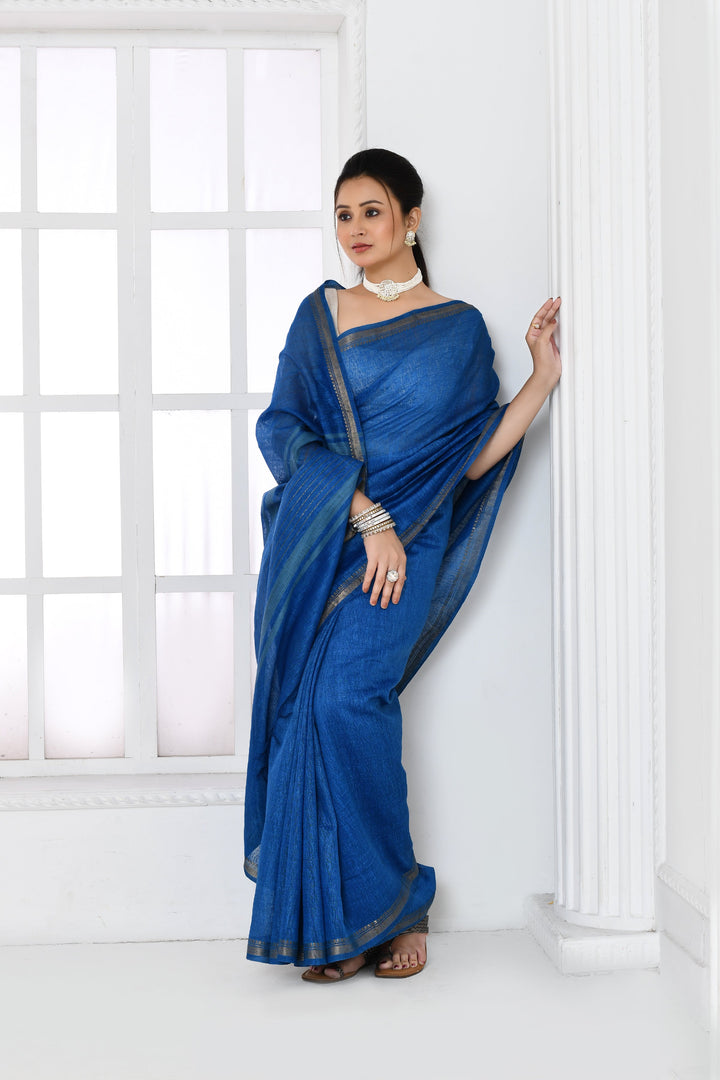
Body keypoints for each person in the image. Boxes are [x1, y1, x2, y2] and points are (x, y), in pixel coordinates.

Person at [243, 148, 561, 982]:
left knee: (349, 699)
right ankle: (344, 928)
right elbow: (282, 430)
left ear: (411, 220)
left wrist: (540, 381)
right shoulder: (319, 317)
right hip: (329, 541)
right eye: (343, 215)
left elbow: (471, 458)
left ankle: (397, 904)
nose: (355, 230)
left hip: (409, 548)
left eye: (372, 212)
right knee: (310, 710)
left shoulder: (457, 330)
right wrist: (364, 513)